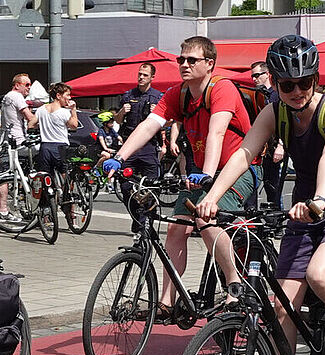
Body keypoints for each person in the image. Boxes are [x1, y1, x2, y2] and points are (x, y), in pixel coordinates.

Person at [195, 34, 325, 355]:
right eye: (287, 85)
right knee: (282, 307)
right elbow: (244, 154)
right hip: (303, 212)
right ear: (275, 83)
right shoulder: (275, 112)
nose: (297, 92)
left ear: (316, 79)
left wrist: (319, 199)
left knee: (320, 276)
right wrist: (212, 198)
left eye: (304, 82)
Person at [103, 36, 254, 320]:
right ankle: (167, 302)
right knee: (175, 229)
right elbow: (150, 125)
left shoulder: (222, 89)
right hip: (200, 173)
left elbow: (216, 133)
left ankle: (235, 285)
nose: (184, 64)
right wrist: (120, 156)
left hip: (238, 169)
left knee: (205, 219)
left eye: (192, 60)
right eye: (181, 59)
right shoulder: (178, 93)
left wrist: (208, 176)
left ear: (209, 64)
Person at [35, 82, 82, 229]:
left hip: (45, 147)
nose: (69, 98)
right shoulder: (63, 112)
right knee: (66, 180)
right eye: (67, 95)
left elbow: (31, 124)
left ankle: (47, 215)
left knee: (46, 181)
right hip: (60, 147)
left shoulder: (41, 110)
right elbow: (74, 125)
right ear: (58, 96)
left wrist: (42, 126)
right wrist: (73, 110)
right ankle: (70, 214)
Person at [0, 73, 39, 220]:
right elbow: (29, 117)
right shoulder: (16, 96)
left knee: (6, 175)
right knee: (43, 154)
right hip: (17, 142)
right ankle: (39, 204)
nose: (29, 87)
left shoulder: (7, 97)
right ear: (17, 85)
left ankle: (4, 210)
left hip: (7, 141)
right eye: (26, 84)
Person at [114, 62, 165, 187]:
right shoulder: (128, 95)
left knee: (153, 184)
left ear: (152, 77)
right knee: (125, 183)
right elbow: (118, 120)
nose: (141, 77)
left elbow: (167, 122)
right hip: (130, 143)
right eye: (139, 74)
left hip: (149, 145)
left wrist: (157, 113)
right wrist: (121, 112)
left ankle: (148, 206)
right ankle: (134, 205)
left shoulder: (158, 96)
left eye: (145, 75)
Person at [250, 60, 287, 208]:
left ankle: (277, 215)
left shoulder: (276, 95)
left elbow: (284, 121)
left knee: (273, 185)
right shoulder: (256, 95)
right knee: (257, 181)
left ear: (267, 74)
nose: (254, 79)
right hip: (260, 146)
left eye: (257, 75)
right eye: (252, 76)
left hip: (274, 145)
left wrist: (281, 146)